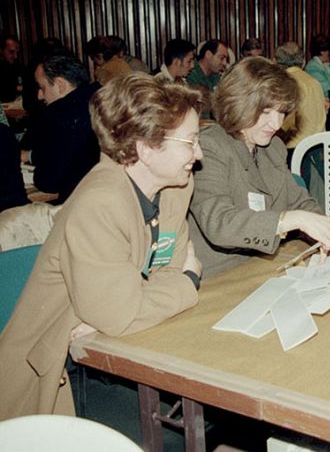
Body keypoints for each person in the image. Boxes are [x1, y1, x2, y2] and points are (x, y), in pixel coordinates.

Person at [0, 74, 204, 419]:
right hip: (60, 369)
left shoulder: (176, 187)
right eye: (190, 142)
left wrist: (130, 306)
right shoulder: (101, 202)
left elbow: (163, 270)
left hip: (120, 345)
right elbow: (127, 310)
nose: (198, 154)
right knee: (177, 431)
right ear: (146, 149)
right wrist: (188, 282)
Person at [189, 57, 330, 277]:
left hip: (264, 264)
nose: (276, 124)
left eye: (282, 112)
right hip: (222, 274)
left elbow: (299, 200)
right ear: (239, 104)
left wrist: (327, 233)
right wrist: (292, 220)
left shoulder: (272, 147)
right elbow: (219, 223)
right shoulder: (209, 146)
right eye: (266, 112)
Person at [27, 53, 101, 203]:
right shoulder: (104, 98)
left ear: (60, 85)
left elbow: (48, 182)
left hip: (77, 205)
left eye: (42, 87)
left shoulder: (57, 115)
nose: (39, 95)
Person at [274, 41, 326, 154]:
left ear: (276, 62)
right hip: (319, 147)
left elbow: (283, 125)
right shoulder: (315, 82)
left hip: (293, 151)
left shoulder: (283, 84)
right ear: (303, 62)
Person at [0, 33, 22, 102]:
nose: (16, 56)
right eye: (11, 52)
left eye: (17, 53)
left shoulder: (17, 67)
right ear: (1, 50)